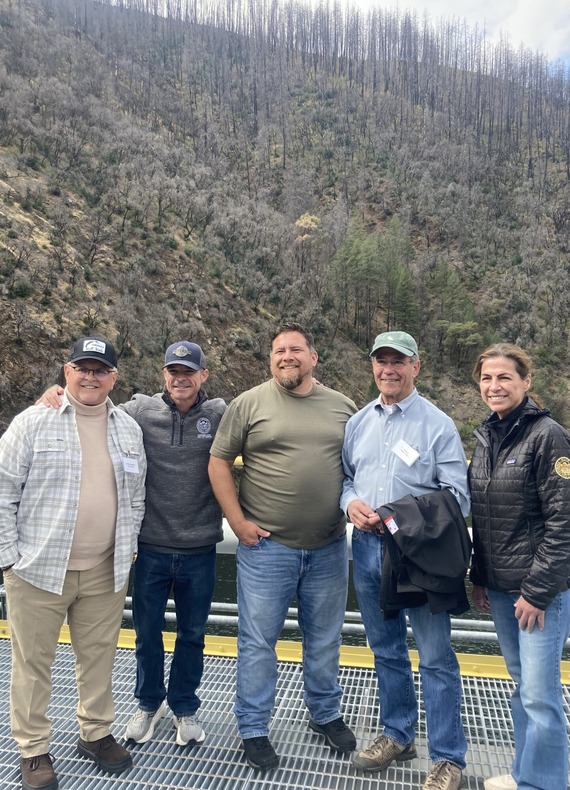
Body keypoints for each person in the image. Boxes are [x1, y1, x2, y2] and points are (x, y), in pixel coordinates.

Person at [37, 341, 226, 749]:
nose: (181, 378)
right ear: (164, 375)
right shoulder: (138, 411)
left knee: (192, 635)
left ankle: (185, 708)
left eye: (189, 372)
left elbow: (260, 422)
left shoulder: (219, 414)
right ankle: (147, 704)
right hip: (151, 548)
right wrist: (53, 395)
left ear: (203, 376)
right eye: (173, 371)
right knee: (146, 634)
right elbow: (89, 412)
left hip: (200, 549)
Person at [208, 321, 357, 772]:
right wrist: (237, 520)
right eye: (278, 351)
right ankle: (253, 728)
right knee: (257, 642)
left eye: (296, 349)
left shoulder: (343, 406)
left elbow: (356, 468)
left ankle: (325, 713)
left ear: (314, 357)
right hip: (266, 548)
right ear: (270, 359)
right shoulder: (248, 404)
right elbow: (218, 462)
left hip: (330, 546)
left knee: (325, 639)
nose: (286, 356)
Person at [0, 336, 146, 790]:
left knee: (98, 658)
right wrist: (9, 559)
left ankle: (95, 733)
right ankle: (33, 749)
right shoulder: (33, 422)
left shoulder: (128, 428)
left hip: (105, 568)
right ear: (66, 372)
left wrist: (128, 548)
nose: (90, 376)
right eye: (82, 367)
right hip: (38, 569)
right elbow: (3, 491)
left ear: (113, 378)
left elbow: (136, 497)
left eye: (100, 369)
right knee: (32, 663)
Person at [341, 331, 470, 790]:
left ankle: (448, 757)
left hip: (419, 555)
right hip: (367, 550)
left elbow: (457, 497)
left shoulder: (438, 425)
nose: (388, 369)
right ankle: (398, 735)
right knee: (387, 650)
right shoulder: (358, 422)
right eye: (381, 361)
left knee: (435, 656)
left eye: (399, 361)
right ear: (372, 366)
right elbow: (348, 478)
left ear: (418, 366)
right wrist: (351, 503)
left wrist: (397, 516)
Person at [469, 343, 570, 790]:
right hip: (504, 588)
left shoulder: (548, 436)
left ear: (526, 382)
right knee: (522, 686)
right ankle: (526, 773)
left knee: (539, 694)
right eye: (487, 378)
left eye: (504, 377)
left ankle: (543, 783)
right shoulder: (487, 436)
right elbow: (485, 515)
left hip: (538, 593)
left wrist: (538, 591)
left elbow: (564, 520)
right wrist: (481, 577)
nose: (495, 386)